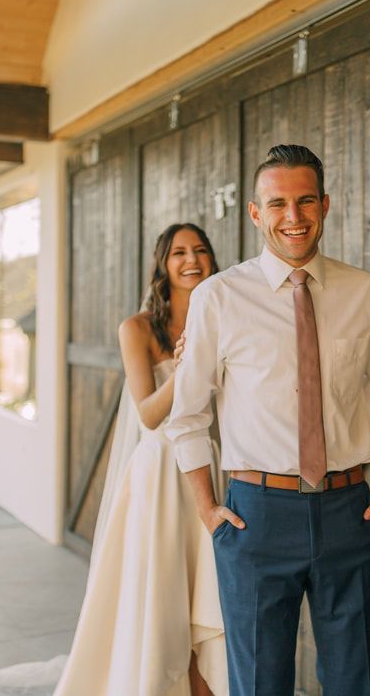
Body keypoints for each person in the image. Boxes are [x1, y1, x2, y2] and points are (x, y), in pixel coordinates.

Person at [167, 145, 370, 695]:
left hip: (352, 511)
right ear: (256, 213)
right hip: (256, 517)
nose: (293, 217)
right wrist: (208, 509)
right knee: (260, 683)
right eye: (277, 203)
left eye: (305, 201)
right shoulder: (219, 298)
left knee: (358, 681)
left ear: (325, 204)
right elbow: (186, 416)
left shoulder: (363, 292)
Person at [55, 223, 228, 696]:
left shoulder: (223, 316)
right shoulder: (137, 328)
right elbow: (149, 414)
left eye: (200, 250)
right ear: (162, 264)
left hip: (207, 468)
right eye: (179, 252)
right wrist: (187, 364)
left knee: (206, 598)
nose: (191, 259)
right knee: (164, 594)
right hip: (160, 475)